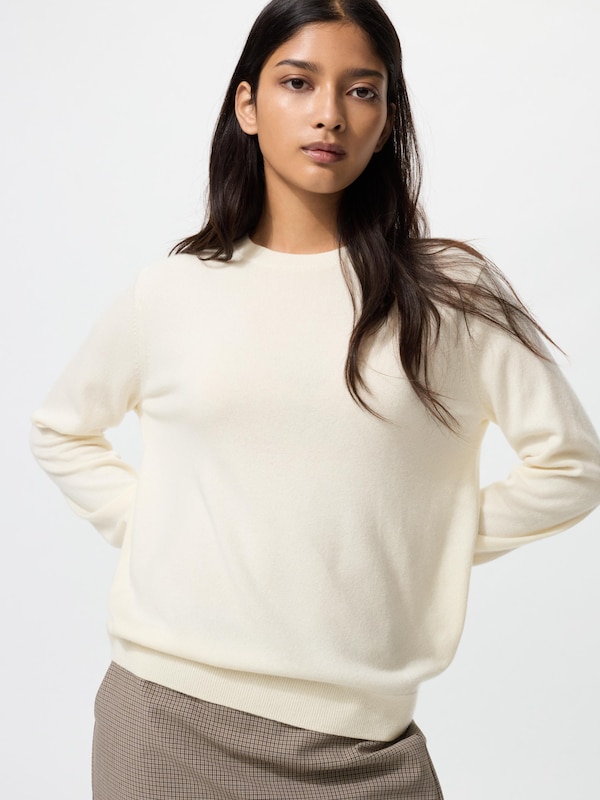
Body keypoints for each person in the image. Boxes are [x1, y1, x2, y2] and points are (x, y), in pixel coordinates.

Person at [30, 0, 600, 798]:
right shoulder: (173, 292)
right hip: (164, 716)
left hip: (365, 744)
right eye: (298, 82)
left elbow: (572, 466)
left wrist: (427, 541)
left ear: (387, 118)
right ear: (248, 104)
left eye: (362, 91)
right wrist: (160, 524)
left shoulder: (452, 296)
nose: (330, 113)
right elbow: (61, 430)